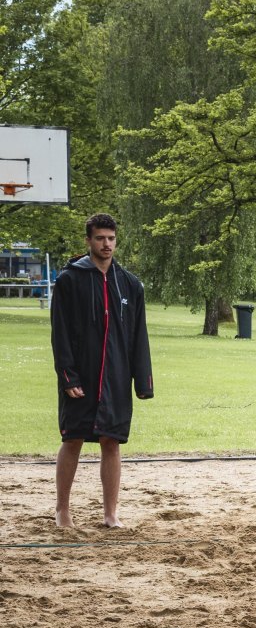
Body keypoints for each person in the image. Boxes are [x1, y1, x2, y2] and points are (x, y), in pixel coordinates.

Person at [50, 213, 153, 530]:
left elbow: (139, 336)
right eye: (100, 238)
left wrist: (143, 380)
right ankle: (62, 511)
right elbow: (61, 332)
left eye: (111, 238)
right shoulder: (70, 280)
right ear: (88, 241)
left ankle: (110, 514)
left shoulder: (130, 284)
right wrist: (68, 376)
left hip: (116, 377)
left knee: (112, 442)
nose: (106, 244)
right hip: (81, 377)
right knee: (73, 439)